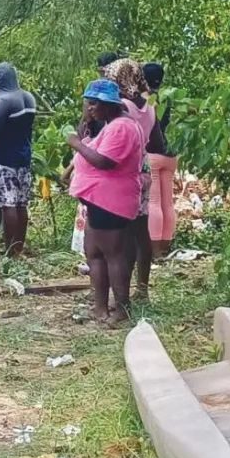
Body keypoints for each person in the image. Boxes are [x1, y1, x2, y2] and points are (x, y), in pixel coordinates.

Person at [67, 79, 144, 325]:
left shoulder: (122, 127)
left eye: (92, 105)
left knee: (114, 256)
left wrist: (76, 145)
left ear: (107, 104)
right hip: (97, 200)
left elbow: (104, 161)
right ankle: (100, 308)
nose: (89, 109)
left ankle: (121, 308)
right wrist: (86, 125)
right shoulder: (111, 125)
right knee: (94, 254)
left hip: (110, 201)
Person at [104, 58, 163, 300]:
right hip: (144, 168)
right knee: (141, 231)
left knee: (121, 235)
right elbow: (159, 142)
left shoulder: (120, 106)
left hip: (122, 171)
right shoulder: (148, 105)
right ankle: (143, 288)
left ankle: (121, 291)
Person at [0, 63, 37, 257]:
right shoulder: (28, 97)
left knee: (8, 204)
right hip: (24, 156)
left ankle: (9, 249)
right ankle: (19, 246)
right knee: (21, 203)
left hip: (4, 158)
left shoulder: (5, 100)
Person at [143, 62, 178, 264]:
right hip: (170, 153)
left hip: (152, 153)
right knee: (167, 202)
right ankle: (165, 247)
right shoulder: (167, 98)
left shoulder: (146, 101)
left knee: (154, 203)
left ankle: (154, 251)